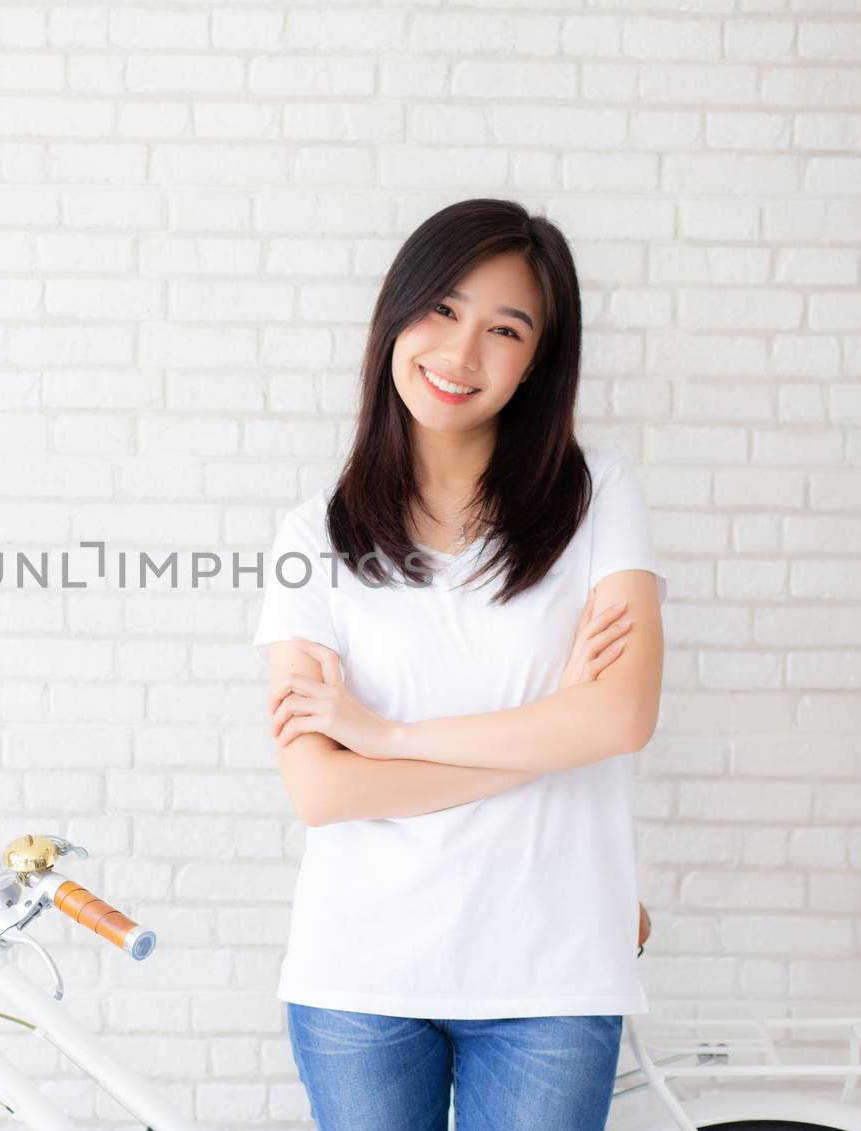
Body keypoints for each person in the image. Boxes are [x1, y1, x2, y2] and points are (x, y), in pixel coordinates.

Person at [251, 198, 667, 1131]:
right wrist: (552, 726)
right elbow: (322, 792)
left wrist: (387, 737)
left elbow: (621, 717)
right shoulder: (312, 534)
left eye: (505, 328)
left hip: (552, 973)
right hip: (359, 975)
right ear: (396, 314)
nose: (460, 351)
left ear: (538, 360)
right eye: (440, 308)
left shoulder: (599, 501)